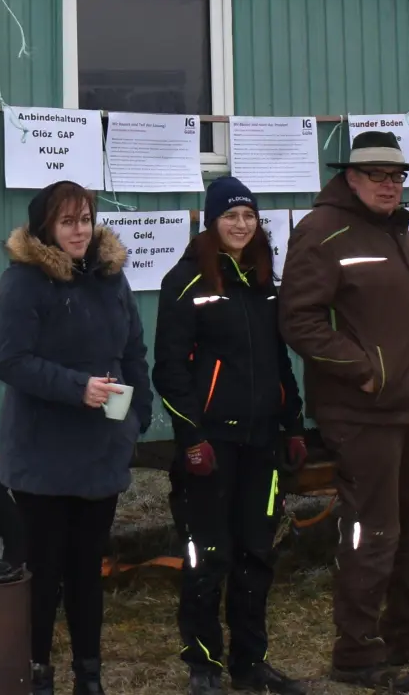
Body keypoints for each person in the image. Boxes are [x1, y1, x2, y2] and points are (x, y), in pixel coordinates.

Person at [278, 130, 409, 693]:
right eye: (377, 175)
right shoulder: (321, 230)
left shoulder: (398, 233)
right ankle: (355, 654)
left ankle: (406, 634)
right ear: (350, 178)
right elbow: (299, 318)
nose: (389, 185)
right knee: (373, 532)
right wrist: (365, 369)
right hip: (365, 412)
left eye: (397, 176)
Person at [0, 180, 154, 695]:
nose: (80, 230)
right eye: (68, 221)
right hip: (43, 452)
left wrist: (137, 418)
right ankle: (37, 671)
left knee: (88, 569)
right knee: (43, 571)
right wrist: (75, 386)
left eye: (85, 218)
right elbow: (9, 360)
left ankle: (89, 673)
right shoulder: (23, 282)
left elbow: (134, 352)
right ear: (46, 227)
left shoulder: (110, 278)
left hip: (99, 451)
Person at [153, 177, 309, 695]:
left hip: (262, 442)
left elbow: (278, 360)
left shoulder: (264, 281)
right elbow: (169, 370)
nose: (241, 225)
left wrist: (293, 423)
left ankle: (251, 661)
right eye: (230, 216)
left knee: (256, 552)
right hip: (211, 446)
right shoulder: (186, 281)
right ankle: (202, 662)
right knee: (209, 553)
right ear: (210, 220)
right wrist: (191, 436)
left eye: (248, 216)